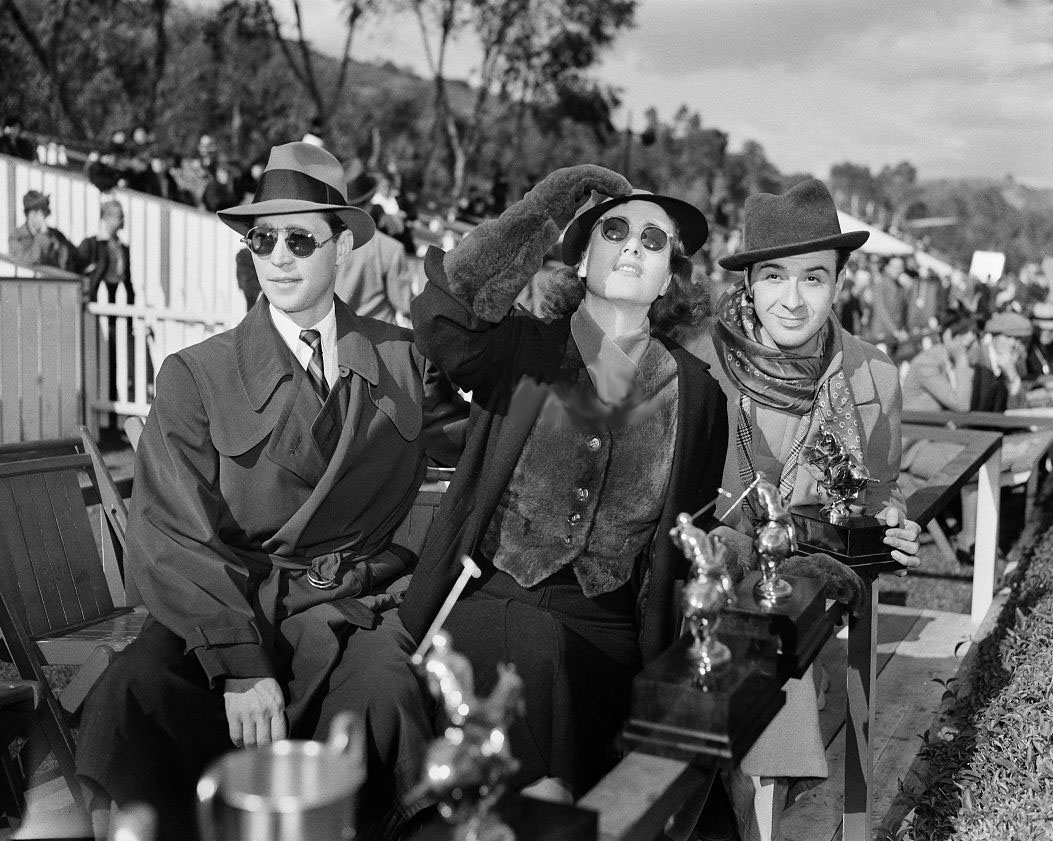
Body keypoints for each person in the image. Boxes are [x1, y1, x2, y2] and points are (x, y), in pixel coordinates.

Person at [75, 142, 466, 841]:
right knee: (132, 694)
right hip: (231, 598)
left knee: (384, 699)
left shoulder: (403, 356)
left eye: (299, 238)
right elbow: (171, 529)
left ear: (342, 247)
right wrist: (237, 660)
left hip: (354, 609)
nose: (278, 256)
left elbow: (473, 447)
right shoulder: (196, 373)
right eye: (262, 238)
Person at [374, 166, 724, 806]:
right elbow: (444, 315)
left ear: (672, 274)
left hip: (604, 637)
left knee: (557, 669)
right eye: (613, 230)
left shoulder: (697, 396)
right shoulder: (520, 350)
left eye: (654, 241)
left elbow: (685, 541)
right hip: (486, 604)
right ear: (583, 254)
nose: (631, 248)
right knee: (534, 660)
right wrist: (549, 202)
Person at [690, 178, 922, 841]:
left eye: (813, 277)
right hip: (705, 603)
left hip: (806, 613)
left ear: (838, 280)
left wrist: (893, 524)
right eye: (774, 277)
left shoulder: (872, 377)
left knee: (777, 719)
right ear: (749, 282)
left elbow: (872, 499)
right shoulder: (700, 367)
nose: (792, 299)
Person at [334, 173, 413, 324]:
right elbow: (405, 303)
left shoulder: (323, 241)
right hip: (377, 340)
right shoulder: (390, 248)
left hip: (334, 336)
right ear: (370, 203)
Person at [902, 313, 976, 413]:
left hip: (941, 425)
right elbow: (962, 405)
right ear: (948, 337)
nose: (969, 351)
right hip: (919, 426)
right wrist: (961, 358)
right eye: (967, 346)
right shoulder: (926, 364)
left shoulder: (951, 362)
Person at [79, 200, 135, 304]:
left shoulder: (123, 247)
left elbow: (127, 279)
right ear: (106, 217)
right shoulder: (92, 244)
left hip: (117, 299)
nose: (122, 220)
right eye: (119, 216)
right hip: (98, 299)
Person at [9, 190, 77, 271]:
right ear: (28, 214)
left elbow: (71, 259)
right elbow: (27, 263)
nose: (41, 217)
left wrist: (54, 242)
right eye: (36, 212)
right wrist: (42, 236)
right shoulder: (16, 237)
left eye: (43, 212)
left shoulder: (55, 234)